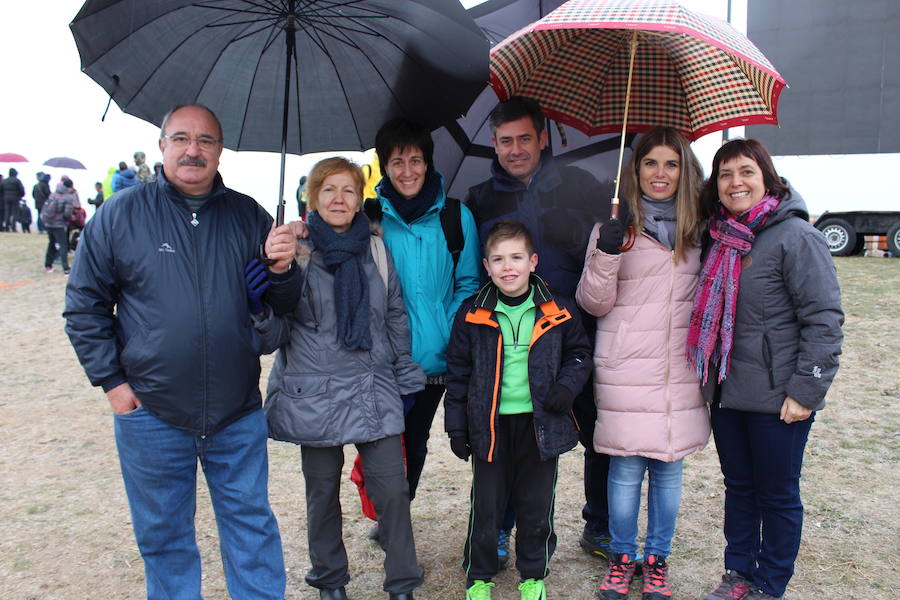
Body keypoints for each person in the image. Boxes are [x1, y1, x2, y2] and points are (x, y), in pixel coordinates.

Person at [64, 104, 290, 600]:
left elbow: (280, 313)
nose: (194, 149)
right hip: (152, 411)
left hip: (236, 411)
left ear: (219, 150)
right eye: (182, 138)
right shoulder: (121, 215)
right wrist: (115, 387)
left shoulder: (249, 215)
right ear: (163, 145)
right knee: (164, 538)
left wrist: (282, 271)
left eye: (206, 140)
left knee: (251, 529)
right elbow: (84, 306)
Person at [256, 156, 423, 600]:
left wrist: (404, 372)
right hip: (315, 390)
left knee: (392, 490)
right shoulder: (297, 249)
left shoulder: (375, 248)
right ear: (313, 196)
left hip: (372, 385)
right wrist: (276, 268)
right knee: (322, 493)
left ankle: (402, 582)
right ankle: (330, 579)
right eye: (328, 189)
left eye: (348, 190)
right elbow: (275, 324)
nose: (338, 198)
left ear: (359, 199)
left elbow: (393, 314)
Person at [689, 139, 843, 600]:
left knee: (776, 495)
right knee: (739, 488)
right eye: (725, 174)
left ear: (766, 177)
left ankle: (770, 583)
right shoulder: (716, 237)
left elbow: (824, 319)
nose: (736, 182)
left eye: (746, 172)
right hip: (727, 391)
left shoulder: (797, 237)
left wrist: (806, 392)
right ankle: (738, 573)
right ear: (715, 186)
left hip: (778, 397)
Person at [464, 95, 614, 565]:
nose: (515, 149)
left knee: (596, 431)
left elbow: (604, 257)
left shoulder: (581, 186)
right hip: (510, 341)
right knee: (514, 439)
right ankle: (504, 529)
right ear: (494, 144)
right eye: (505, 141)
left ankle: (600, 524)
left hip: (573, 334)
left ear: (542, 137)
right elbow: (475, 269)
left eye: (524, 138)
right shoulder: (480, 198)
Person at [575, 127, 711, 600]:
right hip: (625, 365)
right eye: (650, 163)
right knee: (626, 470)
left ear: (684, 172)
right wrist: (607, 253)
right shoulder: (613, 229)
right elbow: (593, 303)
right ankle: (621, 557)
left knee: (669, 470)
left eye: (671, 164)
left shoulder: (700, 232)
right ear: (634, 171)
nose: (660, 173)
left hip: (677, 368)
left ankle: (656, 560)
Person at [444, 220, 592, 600]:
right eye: (498, 259)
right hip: (489, 426)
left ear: (533, 262)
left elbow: (580, 353)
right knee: (487, 505)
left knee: (536, 505)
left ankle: (533, 574)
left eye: (516, 258)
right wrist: (457, 427)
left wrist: (565, 386)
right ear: (487, 266)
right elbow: (458, 373)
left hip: (540, 425)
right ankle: (479, 576)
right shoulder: (472, 312)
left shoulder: (557, 307)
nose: (508, 267)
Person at [364, 118, 480, 538]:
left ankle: (397, 514)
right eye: (397, 162)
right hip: (383, 358)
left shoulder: (455, 216)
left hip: (435, 357)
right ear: (384, 167)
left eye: (416, 160)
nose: (408, 170)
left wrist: (445, 331)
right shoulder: (371, 217)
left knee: (413, 440)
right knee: (382, 443)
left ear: (429, 163)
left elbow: (468, 283)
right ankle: (388, 513)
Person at [41, 178, 75, 274]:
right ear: (69, 187)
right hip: (59, 224)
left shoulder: (53, 194)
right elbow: (67, 214)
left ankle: (48, 265)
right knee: (63, 245)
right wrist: (70, 218)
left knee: (51, 243)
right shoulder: (68, 197)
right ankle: (66, 268)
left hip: (49, 223)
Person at [2, 167, 26, 232]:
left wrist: (4, 196)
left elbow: (1, 190)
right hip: (15, 198)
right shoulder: (17, 181)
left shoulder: (4, 181)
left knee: (7, 212)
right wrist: (20, 196)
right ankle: (13, 227)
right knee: (15, 213)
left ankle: (6, 226)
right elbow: (22, 190)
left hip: (6, 198)